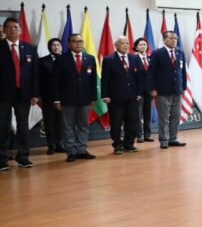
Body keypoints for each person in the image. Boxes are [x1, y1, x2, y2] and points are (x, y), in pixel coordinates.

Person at [0, 17, 40, 170]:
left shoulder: (30, 49)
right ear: (4, 30)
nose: (12, 29)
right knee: (2, 126)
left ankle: (23, 156)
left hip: (23, 94)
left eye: (15, 27)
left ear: (20, 30)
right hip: (2, 95)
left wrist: (35, 94)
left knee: (23, 126)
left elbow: (35, 73)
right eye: (9, 27)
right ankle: (2, 158)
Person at [53, 33, 97, 162]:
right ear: (69, 44)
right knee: (68, 126)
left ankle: (81, 150)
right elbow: (55, 81)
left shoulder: (90, 58)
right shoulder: (61, 59)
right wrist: (56, 99)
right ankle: (71, 151)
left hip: (85, 98)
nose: (78, 44)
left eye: (80, 41)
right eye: (74, 41)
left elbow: (93, 80)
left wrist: (94, 97)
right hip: (67, 99)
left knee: (84, 125)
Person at [101, 36, 146, 154]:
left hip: (132, 97)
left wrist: (139, 93)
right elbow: (105, 79)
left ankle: (129, 144)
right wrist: (105, 95)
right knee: (116, 122)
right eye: (122, 43)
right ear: (116, 45)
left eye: (127, 43)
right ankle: (117, 145)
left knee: (132, 121)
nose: (125, 45)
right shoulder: (109, 60)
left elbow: (140, 77)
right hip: (115, 98)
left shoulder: (134, 58)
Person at [149, 31, 188, 149]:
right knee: (164, 117)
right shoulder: (157, 53)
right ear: (164, 40)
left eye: (175, 38)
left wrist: (183, 87)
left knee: (176, 117)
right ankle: (164, 140)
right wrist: (153, 88)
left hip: (177, 90)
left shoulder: (180, 52)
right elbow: (151, 73)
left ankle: (173, 138)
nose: (174, 40)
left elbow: (183, 72)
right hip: (162, 91)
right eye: (171, 38)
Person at [39, 37, 65, 154]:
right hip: (48, 96)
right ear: (49, 48)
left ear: (62, 47)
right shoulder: (42, 61)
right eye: (54, 45)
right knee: (49, 122)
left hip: (63, 96)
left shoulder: (66, 59)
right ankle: (51, 145)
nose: (56, 47)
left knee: (61, 122)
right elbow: (38, 79)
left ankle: (60, 144)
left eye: (58, 45)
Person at [133, 37, 155, 143]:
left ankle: (147, 135)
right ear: (136, 47)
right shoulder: (133, 59)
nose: (143, 46)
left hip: (149, 91)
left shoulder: (151, 59)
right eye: (140, 44)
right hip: (138, 92)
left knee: (148, 114)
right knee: (138, 115)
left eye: (144, 44)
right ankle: (139, 135)